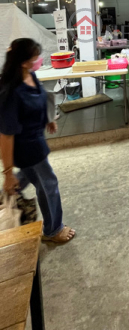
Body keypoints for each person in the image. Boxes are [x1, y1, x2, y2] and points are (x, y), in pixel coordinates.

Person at [0, 38, 75, 243]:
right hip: (27, 149)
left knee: (27, 176)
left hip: (36, 141)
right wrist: (7, 173)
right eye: (35, 57)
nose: (39, 60)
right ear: (23, 61)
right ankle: (52, 230)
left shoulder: (29, 75)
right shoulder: (11, 93)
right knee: (48, 184)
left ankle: (3, 196)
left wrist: (48, 119)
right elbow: (5, 137)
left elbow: (41, 97)